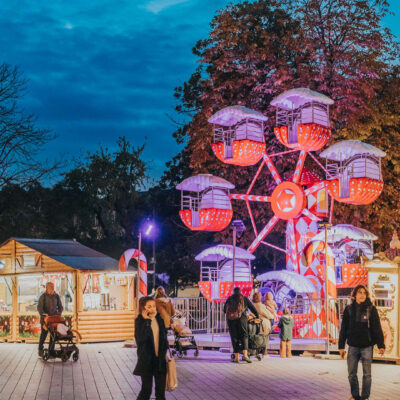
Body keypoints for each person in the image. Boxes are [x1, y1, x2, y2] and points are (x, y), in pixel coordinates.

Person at [339, 285, 385, 400]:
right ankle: (355, 396)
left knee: (367, 375)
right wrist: (341, 346)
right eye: (360, 292)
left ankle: (365, 397)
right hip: (353, 346)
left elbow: (377, 328)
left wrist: (381, 345)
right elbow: (343, 328)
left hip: (367, 346)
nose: (362, 295)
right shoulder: (349, 309)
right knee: (351, 375)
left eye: (364, 293)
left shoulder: (371, 309)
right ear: (355, 295)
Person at [133, 296, 169, 400]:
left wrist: (165, 353)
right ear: (143, 308)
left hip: (160, 361)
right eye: (149, 306)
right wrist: (147, 321)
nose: (152, 309)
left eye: (154, 306)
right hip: (147, 361)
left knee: (160, 394)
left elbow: (164, 338)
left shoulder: (159, 319)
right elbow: (140, 340)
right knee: (146, 391)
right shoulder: (140, 321)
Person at [224, 287, 259, 363]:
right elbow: (252, 308)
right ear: (240, 292)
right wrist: (257, 316)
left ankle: (236, 357)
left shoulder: (229, 299)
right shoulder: (244, 299)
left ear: (233, 292)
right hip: (242, 320)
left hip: (231, 321)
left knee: (234, 337)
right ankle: (245, 356)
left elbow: (224, 310)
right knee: (244, 336)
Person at [37, 281, 63, 357]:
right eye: (51, 286)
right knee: (44, 335)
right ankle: (40, 349)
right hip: (45, 320)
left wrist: (59, 314)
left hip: (53, 320)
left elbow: (60, 307)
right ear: (47, 287)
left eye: (53, 286)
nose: (52, 288)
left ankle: (51, 350)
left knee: (53, 336)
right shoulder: (43, 296)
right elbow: (39, 307)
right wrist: (43, 313)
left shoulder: (56, 296)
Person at [252, 292, 274, 357]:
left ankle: (257, 352)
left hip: (255, 324)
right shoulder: (260, 306)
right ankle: (264, 352)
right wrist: (272, 314)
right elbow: (269, 315)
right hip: (263, 324)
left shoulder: (253, 304)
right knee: (265, 338)